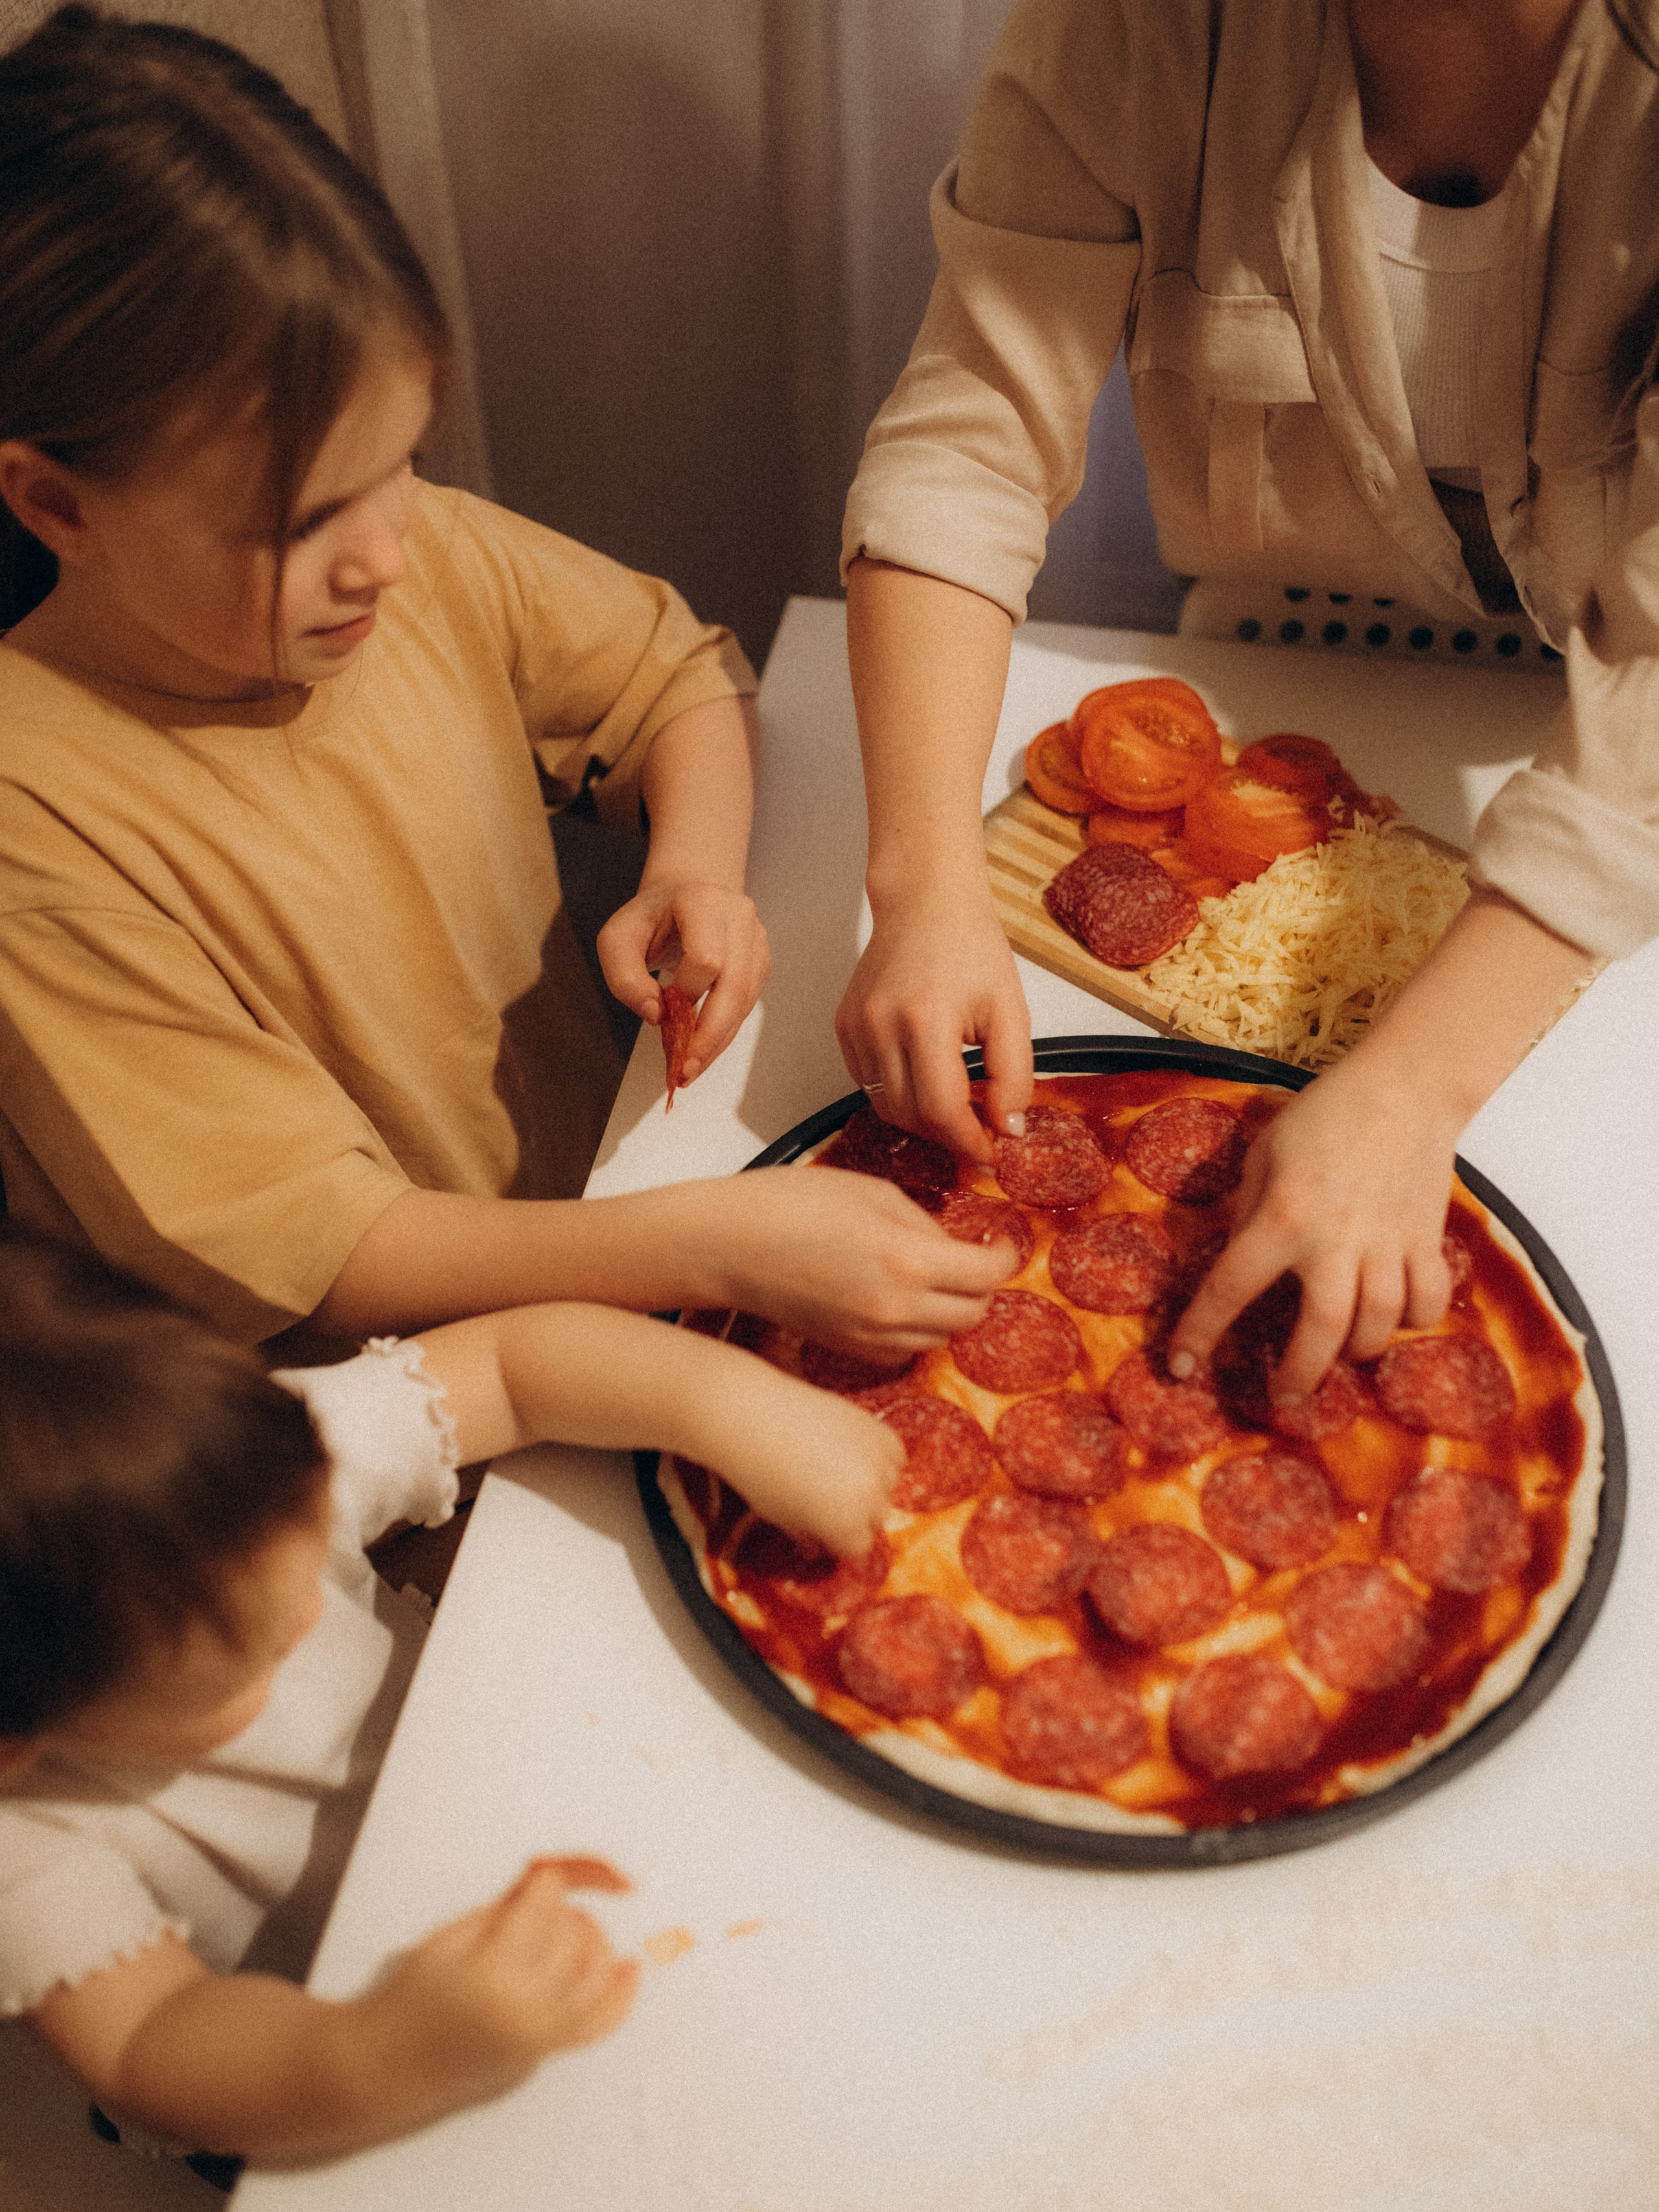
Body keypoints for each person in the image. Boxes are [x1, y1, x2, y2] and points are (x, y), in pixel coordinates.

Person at [0, 6, 1013, 1364]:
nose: (382, 556)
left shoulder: (413, 556)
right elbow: (333, 1249)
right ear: (56, 502)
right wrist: (714, 1238)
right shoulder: (33, 826)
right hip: (388, 1415)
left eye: (399, 465)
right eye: (301, 523)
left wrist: (695, 872)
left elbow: (674, 677)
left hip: (609, 1222)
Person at [835, 0, 1656, 1403]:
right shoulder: (1130, 25)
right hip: (1266, 670)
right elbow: (971, 431)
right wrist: (919, 887)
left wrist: (1406, 1094)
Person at [0, 1232, 903, 2169]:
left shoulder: (221, 1470)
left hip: (488, 1771)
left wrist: (728, 1404)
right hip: (319, 2034)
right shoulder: (23, 1840)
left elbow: (514, 1369)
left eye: (315, 1561)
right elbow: (153, 2043)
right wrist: (381, 2050)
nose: (315, 1611)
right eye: (262, 1651)